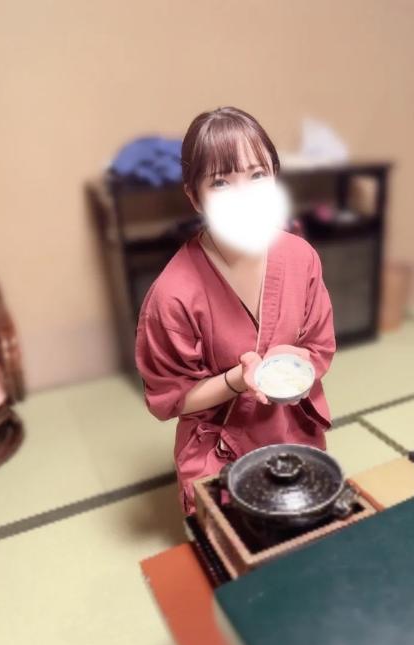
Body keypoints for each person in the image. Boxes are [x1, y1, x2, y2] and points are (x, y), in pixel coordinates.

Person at [135, 107, 336, 513]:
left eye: (257, 175)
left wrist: (299, 358)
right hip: (219, 450)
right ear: (195, 197)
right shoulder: (172, 295)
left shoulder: (301, 258)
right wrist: (237, 380)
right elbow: (171, 399)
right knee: (233, 543)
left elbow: (319, 348)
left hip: (292, 432)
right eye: (221, 182)